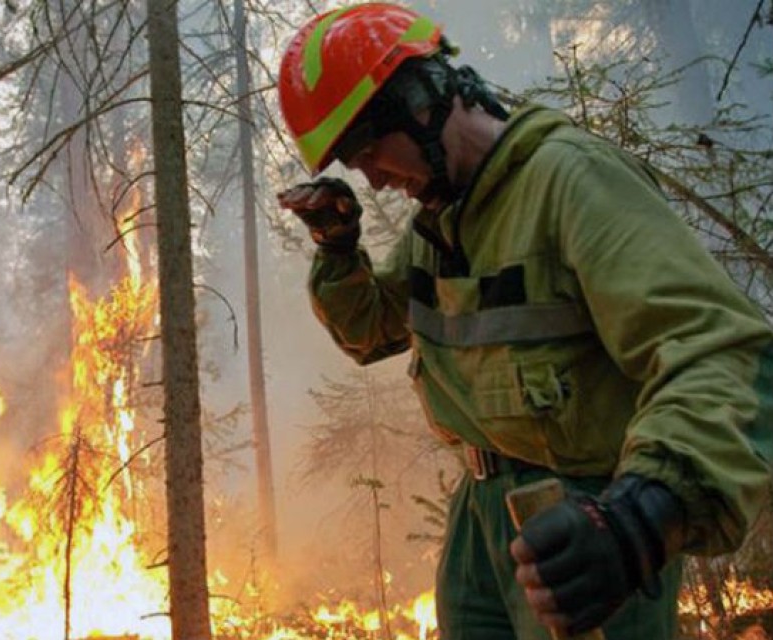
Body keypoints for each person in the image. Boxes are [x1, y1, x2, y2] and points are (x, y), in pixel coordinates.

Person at [275, 3, 773, 639]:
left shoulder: (571, 180)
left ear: (421, 101)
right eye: (354, 162)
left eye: (368, 148)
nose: (371, 178)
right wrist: (338, 247)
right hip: (480, 521)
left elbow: (719, 350)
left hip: (583, 521)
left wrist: (641, 517)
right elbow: (372, 331)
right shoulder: (442, 220)